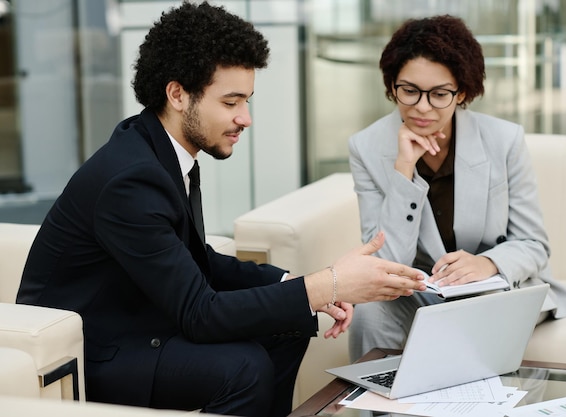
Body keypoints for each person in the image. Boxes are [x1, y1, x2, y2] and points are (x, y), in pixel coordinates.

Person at [15, 3, 426, 417]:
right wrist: (328, 285)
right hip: (91, 351)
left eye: (246, 101)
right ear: (177, 94)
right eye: (231, 102)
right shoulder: (131, 179)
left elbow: (197, 260)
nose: (245, 118)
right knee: (241, 369)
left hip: (141, 318)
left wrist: (300, 285)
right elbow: (200, 314)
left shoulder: (162, 150)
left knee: (290, 323)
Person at [347, 15, 566, 362]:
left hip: (497, 288)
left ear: (463, 92)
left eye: (439, 94)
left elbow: (534, 243)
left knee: (485, 314)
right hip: (424, 290)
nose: (422, 107)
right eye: (409, 91)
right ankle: (379, 408)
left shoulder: (504, 140)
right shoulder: (366, 147)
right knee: (371, 310)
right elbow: (385, 262)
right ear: (392, 86)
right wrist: (403, 171)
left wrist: (487, 264)